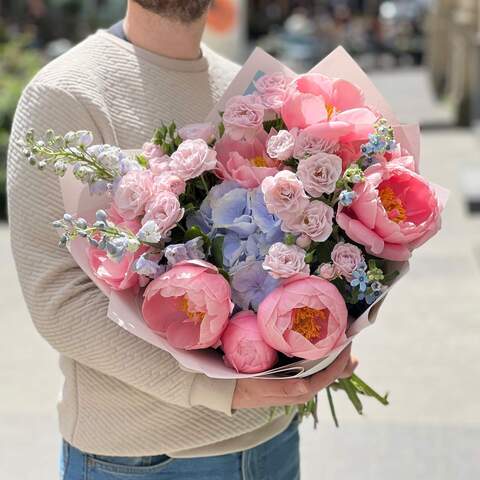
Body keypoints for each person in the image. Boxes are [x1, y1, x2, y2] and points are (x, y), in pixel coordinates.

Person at [7, 1, 358, 479]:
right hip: (141, 460)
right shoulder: (66, 93)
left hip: (271, 442)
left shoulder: (251, 91)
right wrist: (219, 390)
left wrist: (327, 332)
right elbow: (59, 299)